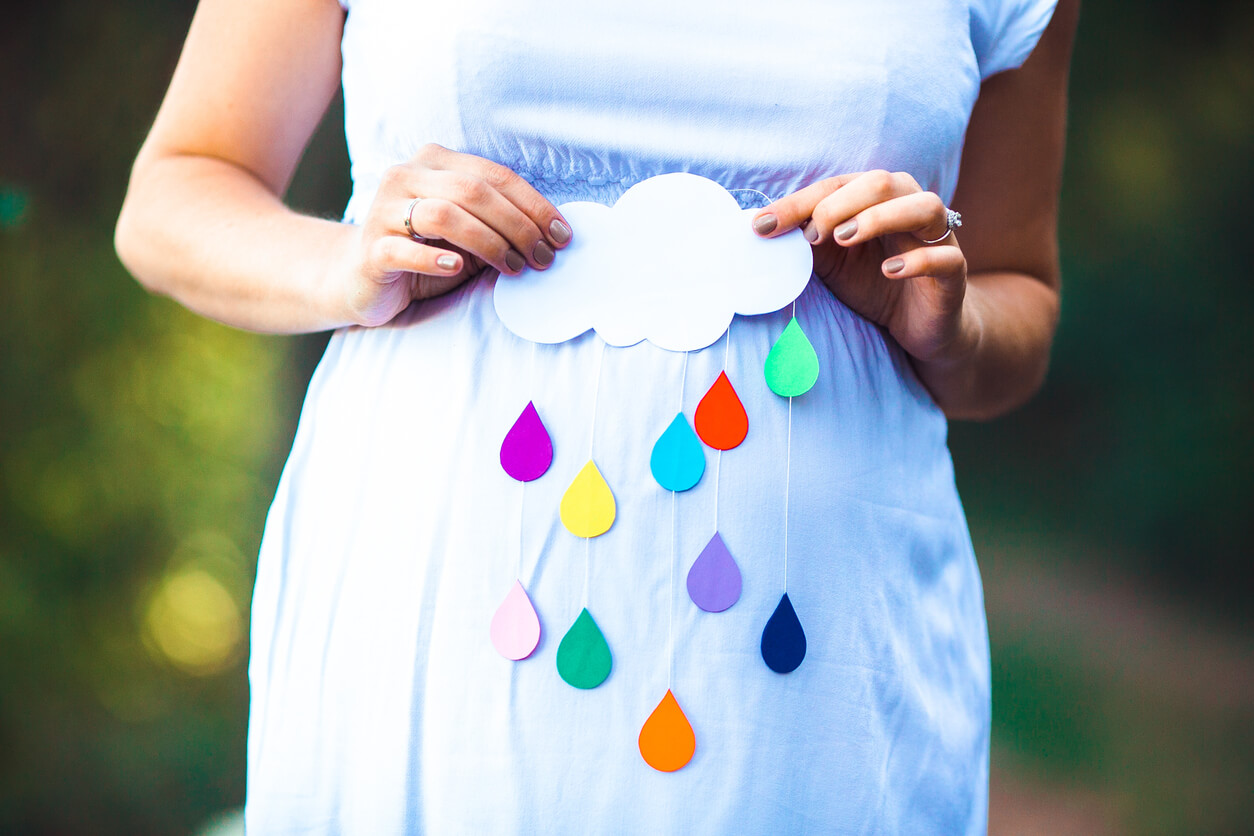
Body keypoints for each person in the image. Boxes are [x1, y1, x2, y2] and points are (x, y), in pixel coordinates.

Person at [116, 0, 1077, 832]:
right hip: (429, 618)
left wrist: (945, 321)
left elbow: (1017, 294)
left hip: (820, 674)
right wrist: (342, 264)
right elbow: (178, 191)